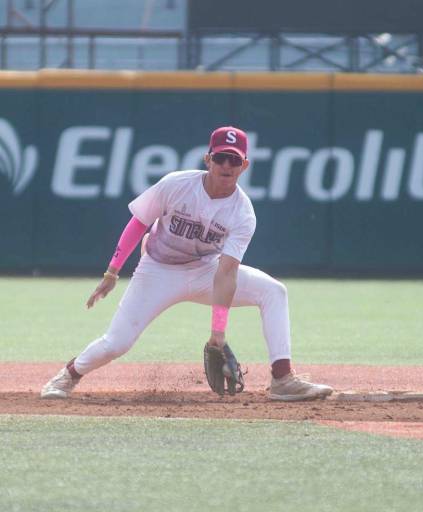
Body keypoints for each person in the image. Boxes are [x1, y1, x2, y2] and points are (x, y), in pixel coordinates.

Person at [41, 126, 333, 401]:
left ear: (245, 166)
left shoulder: (243, 213)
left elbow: (227, 272)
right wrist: (112, 271)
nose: (227, 166)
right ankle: (68, 375)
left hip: (206, 269)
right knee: (117, 343)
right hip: (158, 270)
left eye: (234, 159)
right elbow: (139, 222)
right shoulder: (176, 184)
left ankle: (282, 379)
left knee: (274, 291)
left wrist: (217, 333)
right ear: (208, 159)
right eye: (221, 157)